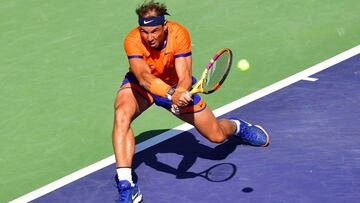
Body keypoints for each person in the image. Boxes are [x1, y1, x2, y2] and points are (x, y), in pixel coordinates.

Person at [112, 1, 269, 202]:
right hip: (143, 87)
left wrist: (181, 92)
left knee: (217, 137)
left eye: (154, 31)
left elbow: (184, 75)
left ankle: (238, 127)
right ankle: (127, 185)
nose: (149, 37)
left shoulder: (179, 34)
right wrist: (170, 95)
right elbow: (143, 76)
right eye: (144, 31)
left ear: (164, 26)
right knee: (122, 113)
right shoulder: (133, 40)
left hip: (176, 85)